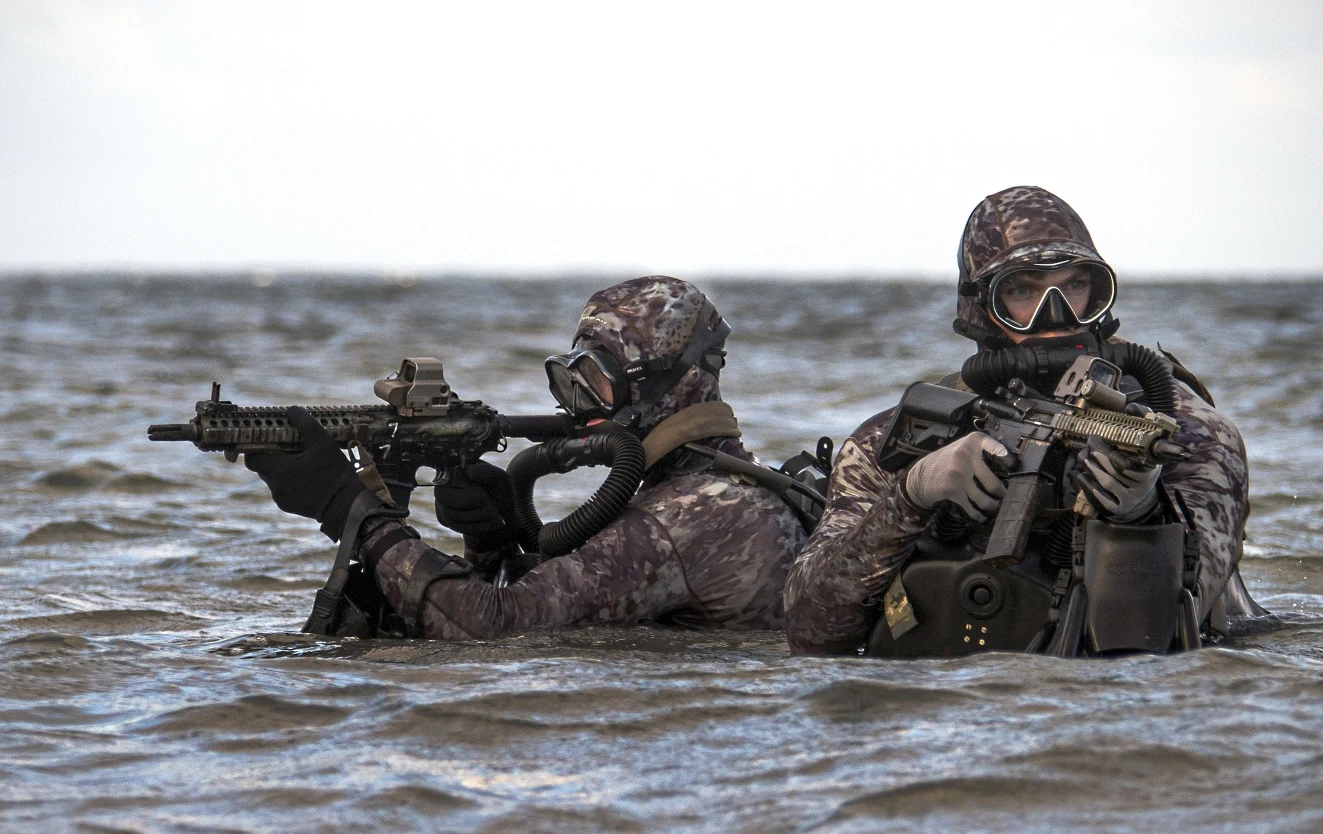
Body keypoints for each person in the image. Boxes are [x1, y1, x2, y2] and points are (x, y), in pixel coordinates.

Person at [784, 185, 1259, 656]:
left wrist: (1143, 518)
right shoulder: (897, 435)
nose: (1057, 314)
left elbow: (1177, 635)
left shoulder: (1191, 432)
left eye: (1075, 286)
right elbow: (810, 631)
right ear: (980, 307)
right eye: (1022, 290)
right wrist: (911, 495)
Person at [246, 276, 806, 640]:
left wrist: (349, 509)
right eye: (571, 380)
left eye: (598, 381)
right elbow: (562, 611)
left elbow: (493, 630)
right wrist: (494, 545)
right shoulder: (716, 497)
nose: (583, 407)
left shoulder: (683, 520)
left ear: (669, 386)